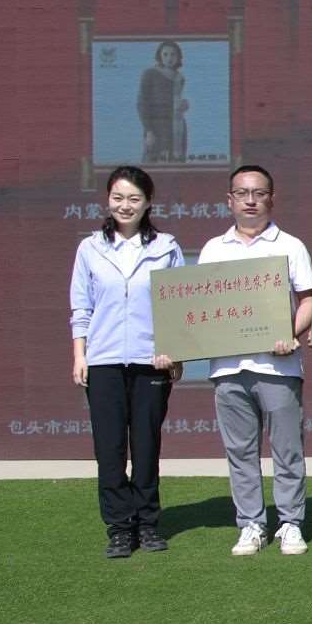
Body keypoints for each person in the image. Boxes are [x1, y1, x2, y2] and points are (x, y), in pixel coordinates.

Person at [70, 166, 186, 558]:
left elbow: (178, 307)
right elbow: (81, 308)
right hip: (103, 362)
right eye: (118, 197)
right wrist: (80, 355)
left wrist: (174, 351)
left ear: (148, 202)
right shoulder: (90, 248)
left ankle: (148, 523)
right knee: (110, 449)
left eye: (134, 198)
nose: (125, 205)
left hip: (151, 361)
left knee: (146, 446)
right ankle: (120, 528)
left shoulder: (166, 247)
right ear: (107, 200)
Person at [201, 165, 312, 556]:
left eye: (259, 193)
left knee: (287, 450)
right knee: (240, 452)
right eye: (242, 193)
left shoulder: (291, 245)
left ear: (272, 198)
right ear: (229, 200)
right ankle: (251, 523)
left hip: (278, 366)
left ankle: (290, 523)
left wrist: (290, 333)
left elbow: (309, 300)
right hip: (228, 367)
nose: (250, 201)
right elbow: (200, 306)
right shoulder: (213, 249)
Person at [136, 40, 188, 163]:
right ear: (159, 55)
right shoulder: (149, 74)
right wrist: (148, 131)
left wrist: (184, 104)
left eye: (173, 54)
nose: (169, 58)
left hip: (177, 127)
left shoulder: (180, 77)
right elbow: (142, 103)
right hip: (157, 127)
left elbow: (174, 100)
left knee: (177, 165)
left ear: (178, 57)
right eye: (165, 54)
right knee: (152, 163)